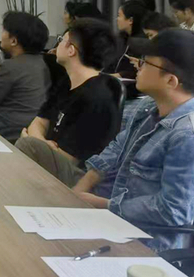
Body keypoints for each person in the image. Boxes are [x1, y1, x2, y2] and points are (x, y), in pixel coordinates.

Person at [72, 29, 194, 251]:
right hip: (117, 224)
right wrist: (80, 191)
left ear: (171, 80)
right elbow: (117, 149)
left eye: (146, 62)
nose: (138, 65)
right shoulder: (148, 106)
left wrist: (107, 206)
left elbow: (174, 210)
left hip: (149, 244)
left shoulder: (187, 135)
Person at [16, 19, 120, 187]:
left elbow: (70, 159)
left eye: (61, 40)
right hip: (51, 160)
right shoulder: (67, 83)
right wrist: (41, 144)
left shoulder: (97, 99)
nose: (57, 46)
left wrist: (35, 144)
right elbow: (38, 122)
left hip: (77, 176)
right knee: (27, 146)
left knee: (25, 146)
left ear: (71, 50)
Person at [0, 11, 51, 142]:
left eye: (4, 30)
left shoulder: (10, 67)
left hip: (4, 130)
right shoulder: (42, 63)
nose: (1, 34)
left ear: (13, 41)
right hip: (30, 129)